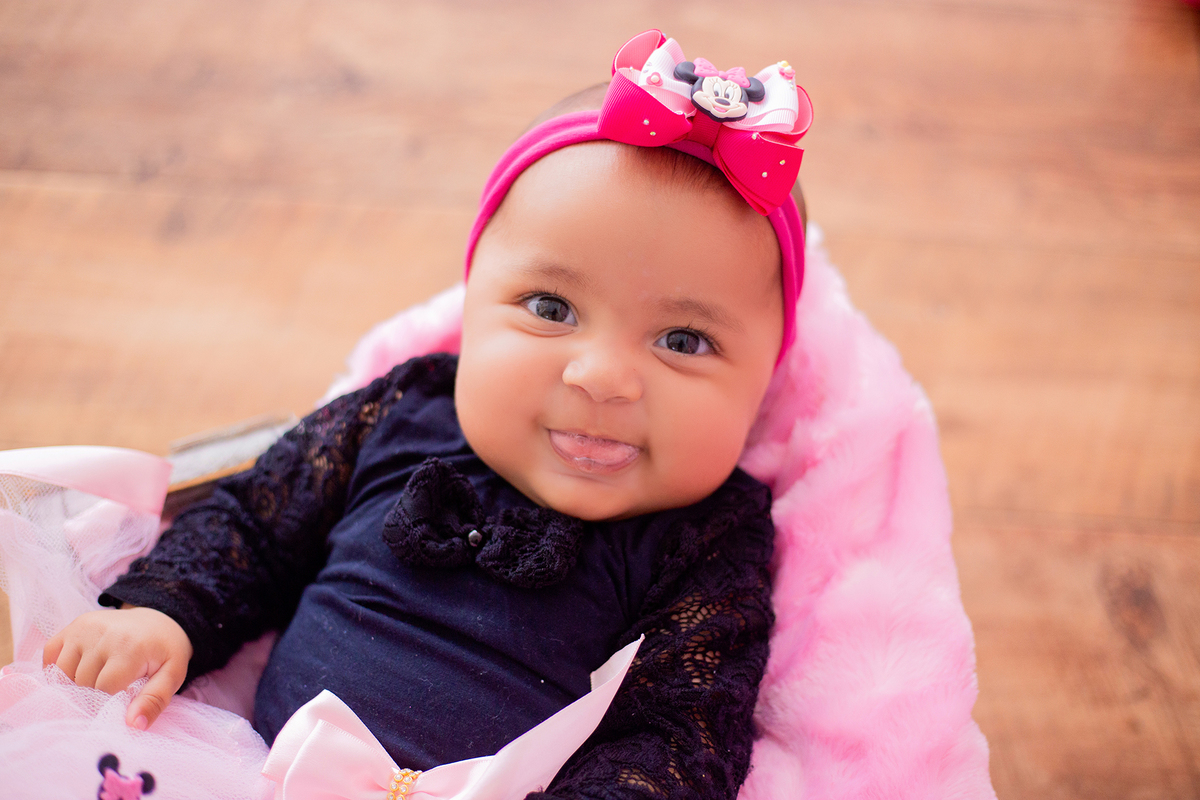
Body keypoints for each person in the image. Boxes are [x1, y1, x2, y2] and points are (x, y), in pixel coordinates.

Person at [40, 30, 813, 799]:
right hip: (242, 773)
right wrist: (162, 613)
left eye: (684, 340)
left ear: (765, 377)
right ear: (472, 305)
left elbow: (684, 733)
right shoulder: (406, 410)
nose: (602, 377)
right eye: (551, 307)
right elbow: (253, 523)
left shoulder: (708, 534)